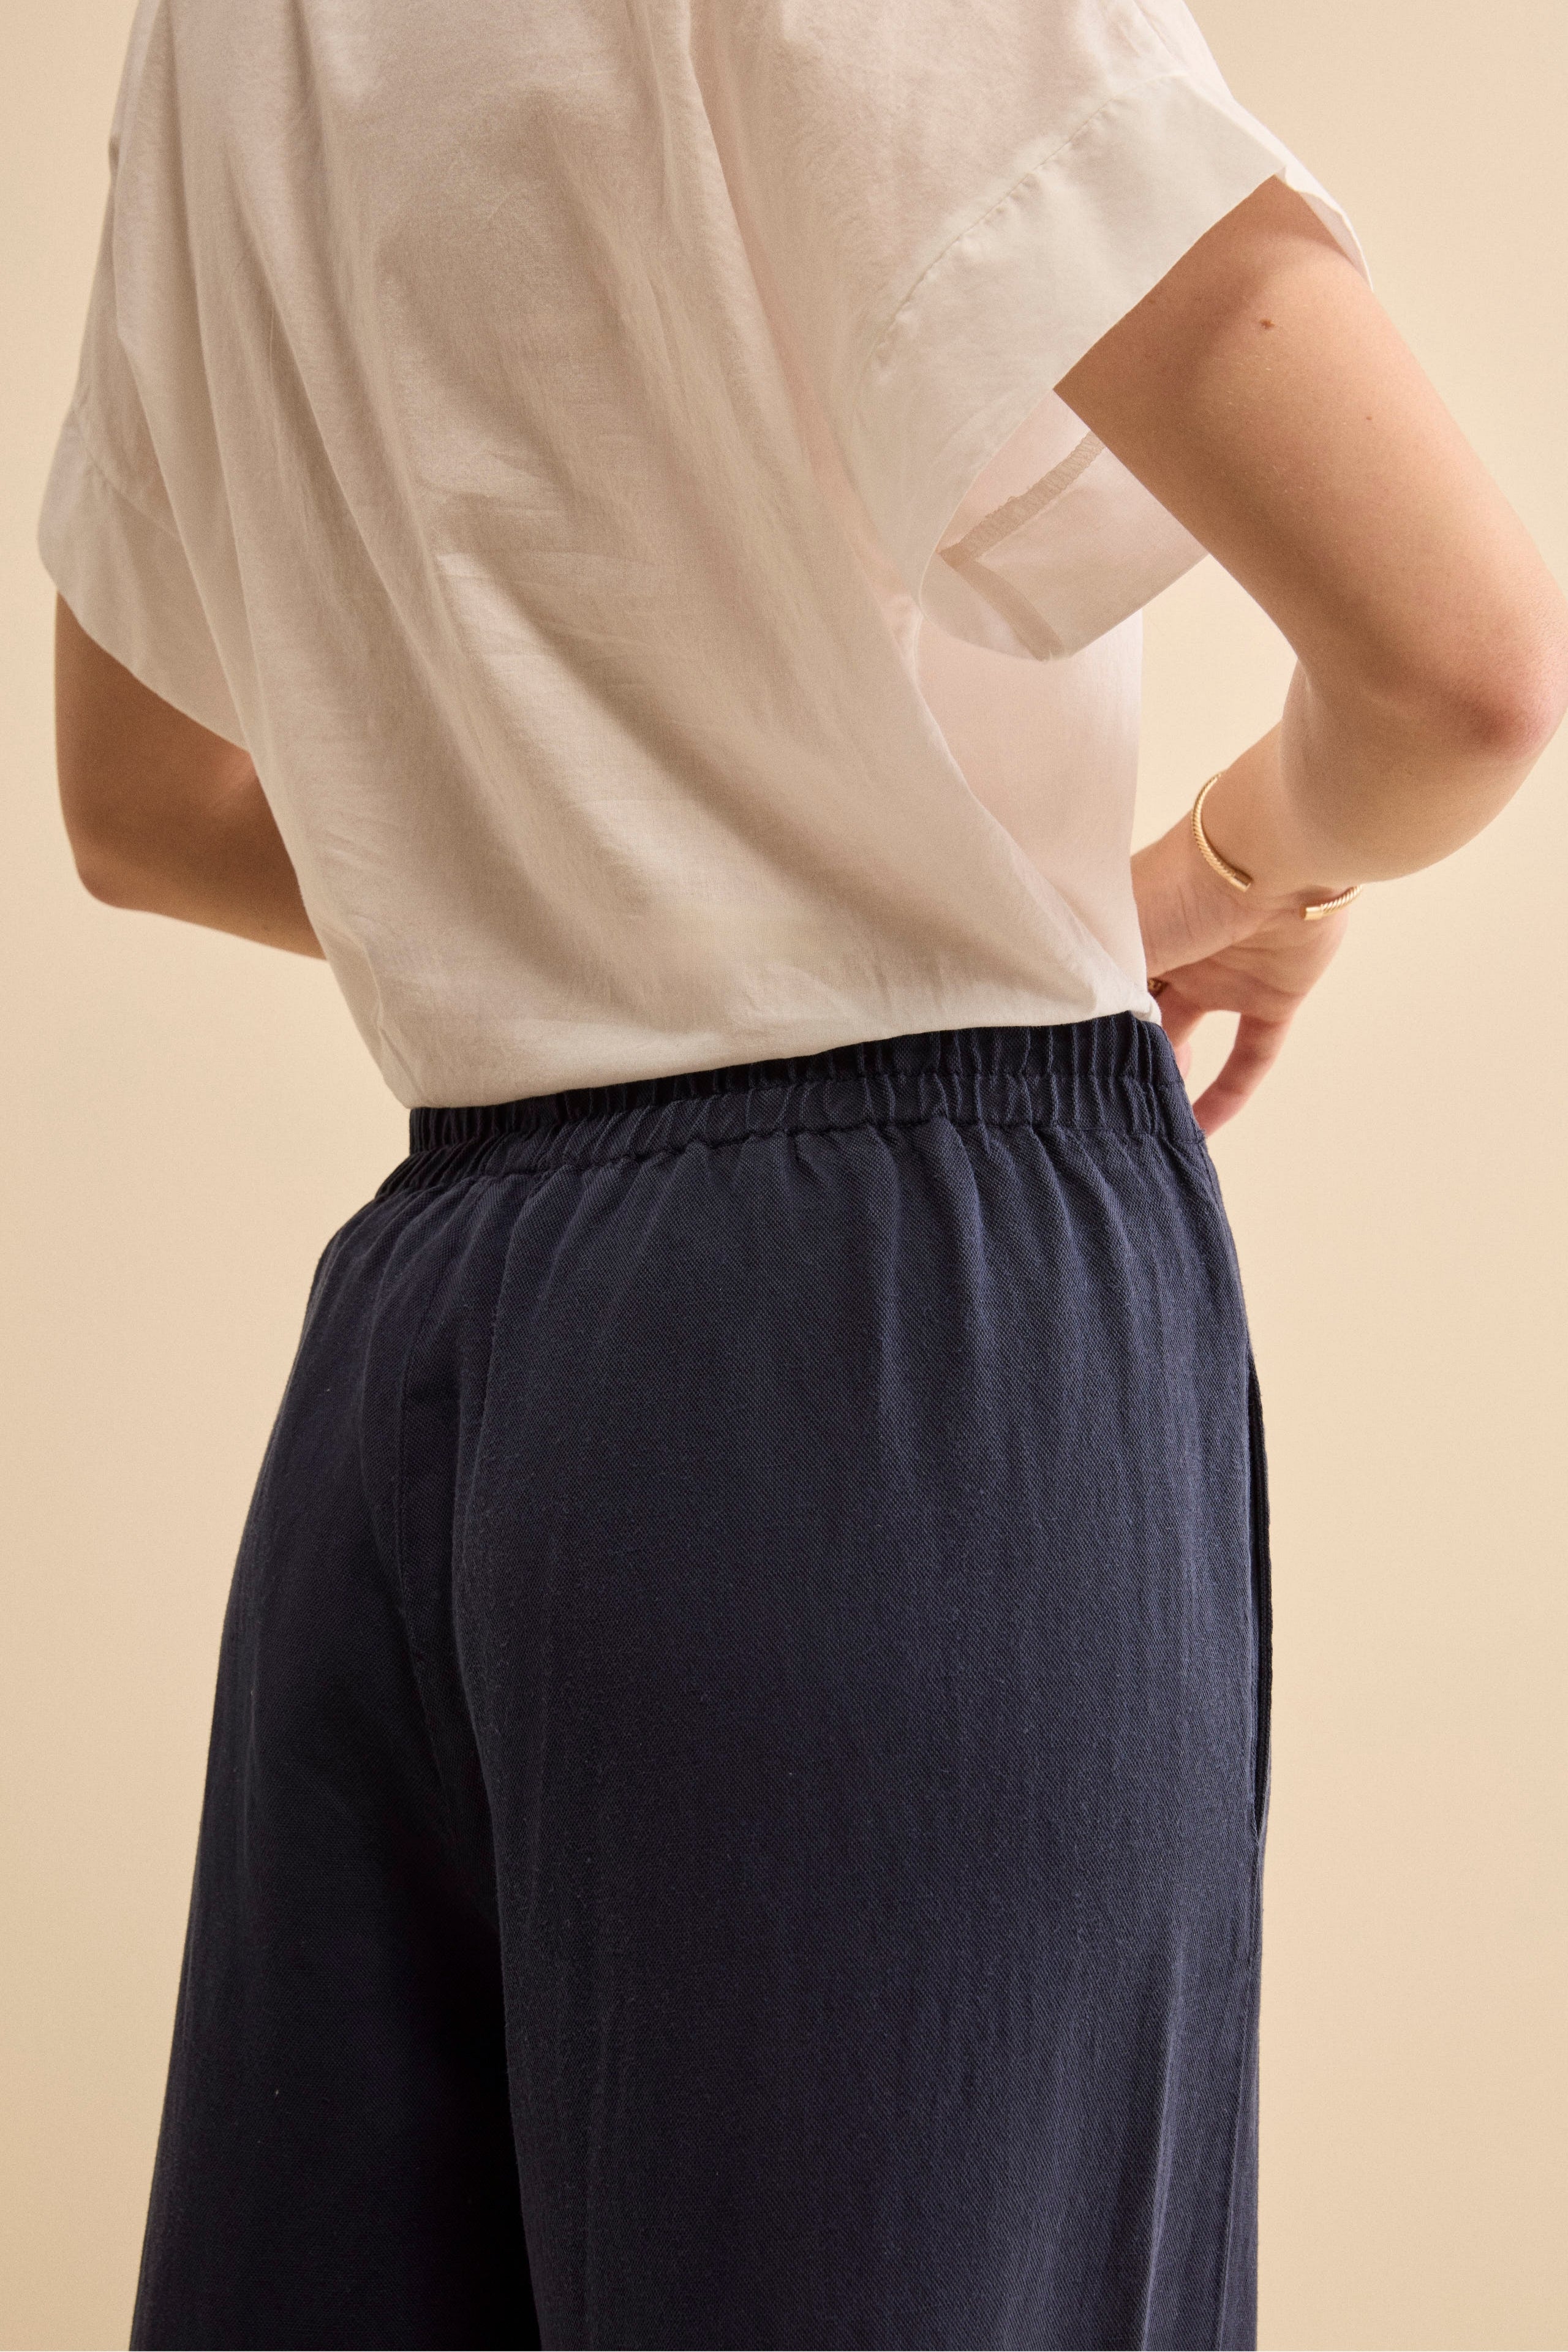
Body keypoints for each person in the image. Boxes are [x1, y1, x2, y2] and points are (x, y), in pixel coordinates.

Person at [41, 0, 1567, 2345]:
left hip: (431, 1347)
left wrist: (590, 890)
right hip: (886, 1349)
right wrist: (1249, 869)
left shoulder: (222, 35)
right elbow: (1462, 666)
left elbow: (139, 803)